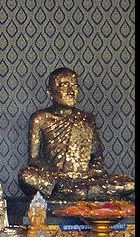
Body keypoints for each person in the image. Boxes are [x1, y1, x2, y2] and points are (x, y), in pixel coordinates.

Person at [19, 67, 134, 201]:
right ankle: (80, 193)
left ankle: (70, 192)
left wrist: (84, 174)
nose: (71, 92)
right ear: (50, 93)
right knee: (26, 175)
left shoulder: (86, 119)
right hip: (56, 178)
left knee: (129, 184)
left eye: (74, 86)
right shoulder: (40, 118)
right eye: (64, 86)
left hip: (83, 179)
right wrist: (61, 174)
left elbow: (97, 160)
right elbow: (34, 159)